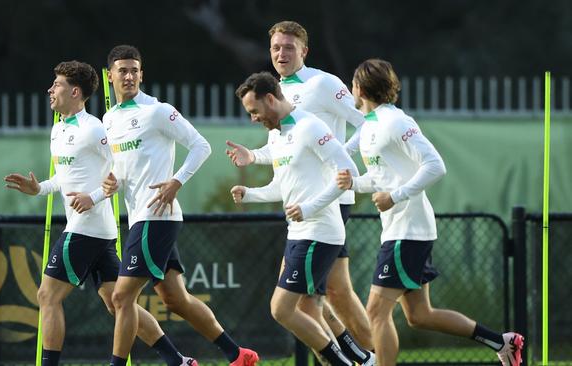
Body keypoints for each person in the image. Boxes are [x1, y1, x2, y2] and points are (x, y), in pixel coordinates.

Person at [4, 61, 196, 366]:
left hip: (85, 228)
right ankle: (178, 361)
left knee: (47, 296)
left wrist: (96, 196)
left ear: (75, 91)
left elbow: (118, 169)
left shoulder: (94, 128)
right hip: (100, 233)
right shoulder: (58, 128)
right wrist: (39, 188)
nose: (50, 89)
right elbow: (66, 179)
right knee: (116, 303)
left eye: (57, 84)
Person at [336, 58, 524, 366]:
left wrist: (396, 196)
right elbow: (385, 177)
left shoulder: (397, 122)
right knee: (420, 315)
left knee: (375, 313)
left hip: (407, 231)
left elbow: (435, 166)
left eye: (352, 84)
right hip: (402, 229)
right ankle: (501, 342)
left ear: (359, 88)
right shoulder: (371, 126)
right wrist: (354, 183)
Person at [95, 45, 259, 366]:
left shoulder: (157, 111)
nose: (128, 76)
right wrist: (111, 182)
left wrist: (177, 181)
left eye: (134, 70)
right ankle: (236, 355)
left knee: (120, 297)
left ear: (141, 74)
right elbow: (123, 171)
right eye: (122, 70)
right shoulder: (109, 119)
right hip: (141, 216)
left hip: (155, 217)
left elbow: (201, 146)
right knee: (175, 299)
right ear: (110, 76)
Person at [224, 21, 374, 361]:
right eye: (276, 48)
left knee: (327, 294)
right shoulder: (273, 91)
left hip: (331, 199)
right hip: (302, 202)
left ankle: (374, 356)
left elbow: (366, 124)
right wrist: (253, 157)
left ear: (304, 51)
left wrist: (338, 156)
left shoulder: (322, 84)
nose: (281, 53)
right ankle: (361, 358)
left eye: (289, 47)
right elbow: (283, 152)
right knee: (312, 299)